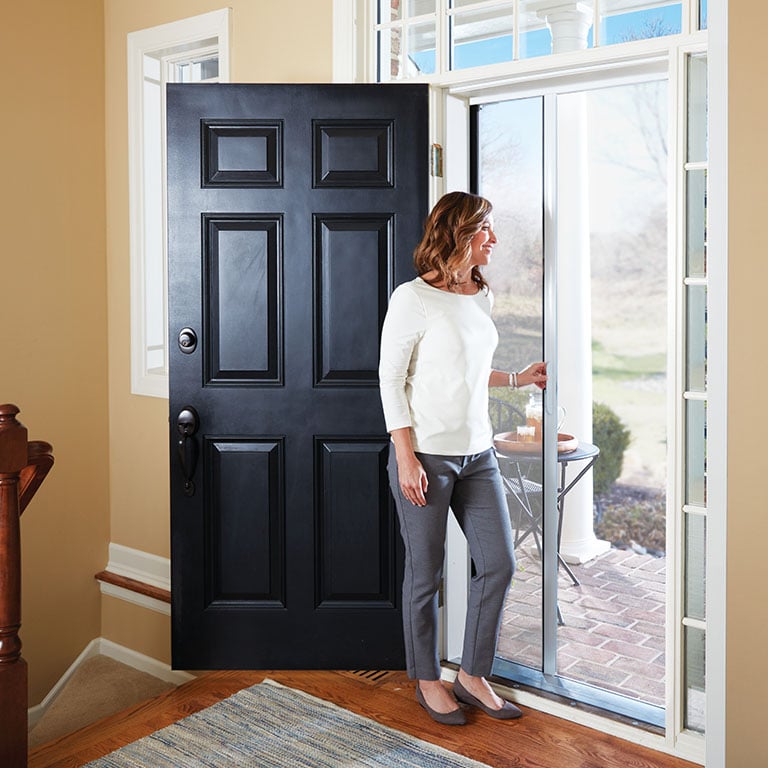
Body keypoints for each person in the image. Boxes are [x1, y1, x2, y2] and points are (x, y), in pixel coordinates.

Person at [378, 191, 547, 726]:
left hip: (478, 454)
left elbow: (468, 369)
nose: (494, 238)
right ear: (458, 232)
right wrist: (405, 455)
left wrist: (517, 379)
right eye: (485, 229)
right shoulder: (412, 298)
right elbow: (391, 379)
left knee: (499, 564)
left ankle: (472, 676)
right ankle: (428, 680)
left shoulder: (481, 295)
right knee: (425, 574)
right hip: (426, 456)